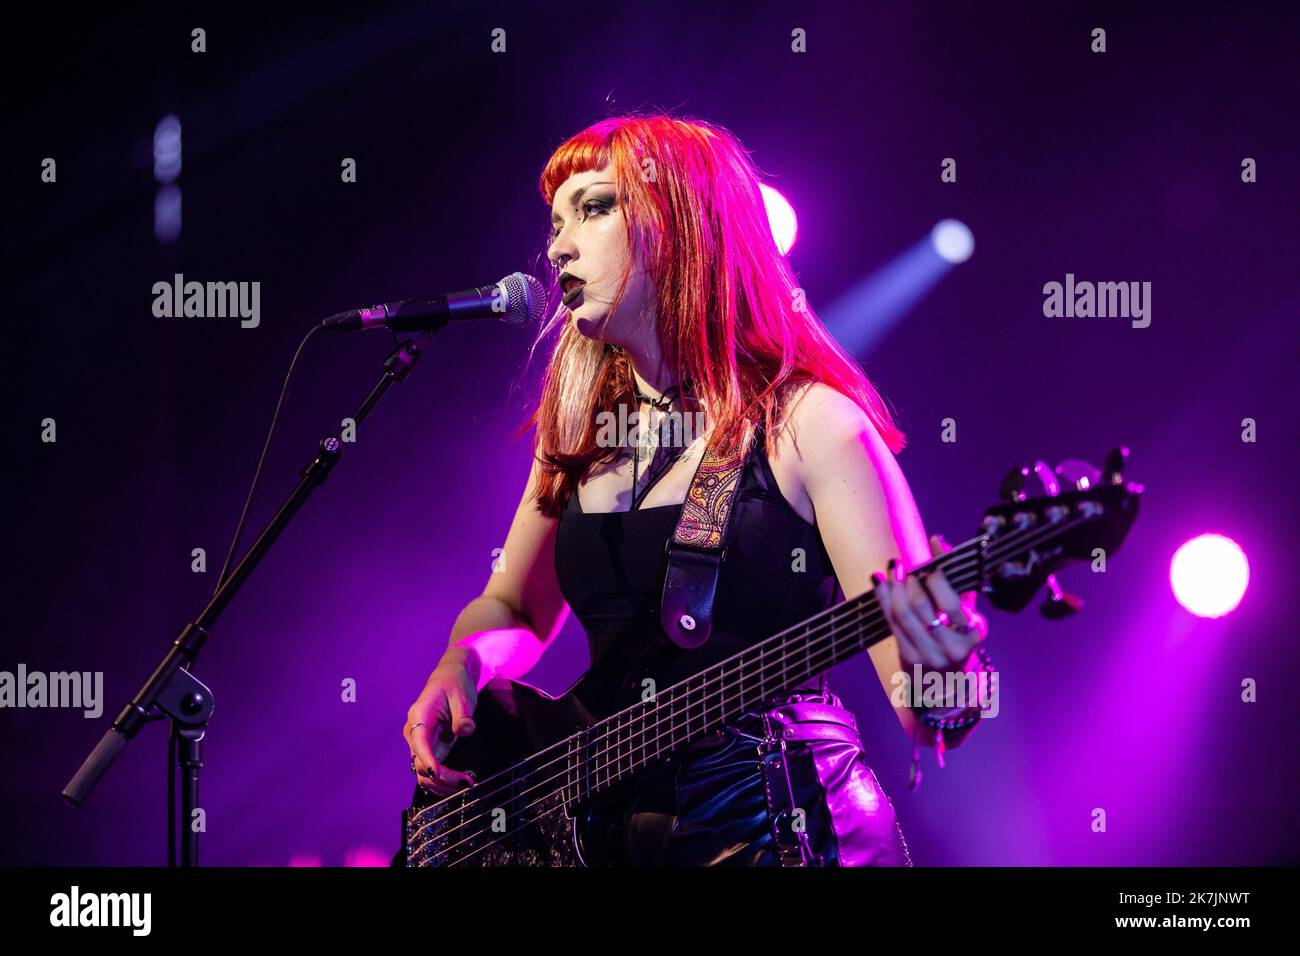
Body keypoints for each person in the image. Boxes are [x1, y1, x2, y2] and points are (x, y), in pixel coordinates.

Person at [403, 114, 989, 866]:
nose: (557, 246)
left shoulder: (813, 424)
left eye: (595, 207)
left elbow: (929, 713)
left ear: (682, 224)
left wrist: (948, 671)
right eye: (555, 221)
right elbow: (514, 605)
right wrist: (465, 661)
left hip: (777, 832)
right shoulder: (580, 431)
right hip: (616, 839)